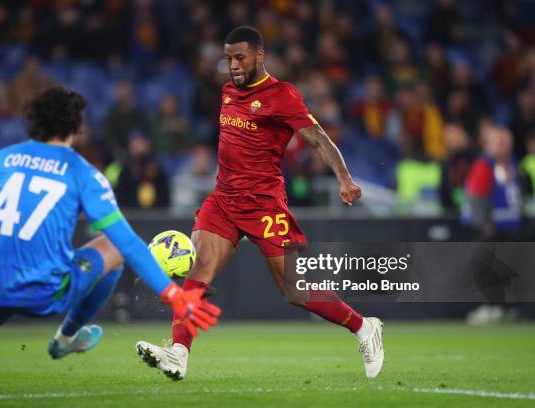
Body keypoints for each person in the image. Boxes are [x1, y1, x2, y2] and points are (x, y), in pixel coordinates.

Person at [136, 26, 384, 381]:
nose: (233, 65)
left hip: (264, 204)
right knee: (199, 268)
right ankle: (178, 354)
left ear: (259, 57)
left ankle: (364, 328)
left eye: (239, 58)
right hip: (223, 199)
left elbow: (318, 138)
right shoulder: (227, 91)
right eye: (228, 59)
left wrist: (343, 178)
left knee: (296, 292)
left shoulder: (282, 95)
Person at [0, 87, 220, 357]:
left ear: (32, 122)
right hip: (43, 290)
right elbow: (124, 241)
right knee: (111, 247)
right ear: (76, 127)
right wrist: (173, 294)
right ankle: (67, 336)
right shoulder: (82, 173)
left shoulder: (3, 158)